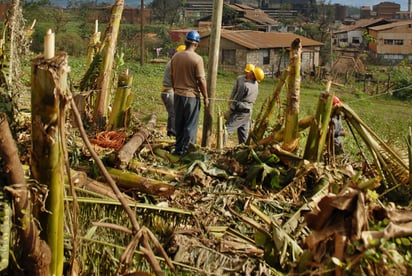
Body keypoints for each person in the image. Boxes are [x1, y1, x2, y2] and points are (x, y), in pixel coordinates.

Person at [170, 30, 209, 156]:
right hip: (191, 97)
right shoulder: (197, 59)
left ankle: (178, 149)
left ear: (186, 42)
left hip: (177, 95)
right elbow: (201, 79)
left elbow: (172, 75)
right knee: (190, 126)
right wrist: (206, 97)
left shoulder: (175, 56)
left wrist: (176, 88)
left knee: (179, 124)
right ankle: (187, 153)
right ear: (196, 44)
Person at [224, 66, 265, 145]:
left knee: (225, 130)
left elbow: (237, 100)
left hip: (240, 113)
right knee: (243, 136)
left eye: (251, 72)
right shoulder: (256, 85)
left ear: (252, 75)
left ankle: (220, 149)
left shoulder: (245, 85)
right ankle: (243, 151)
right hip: (248, 112)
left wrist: (230, 110)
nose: (248, 72)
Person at [161, 44, 185, 137]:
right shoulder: (175, 63)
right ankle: (172, 133)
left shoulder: (174, 62)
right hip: (168, 91)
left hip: (169, 91)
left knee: (173, 113)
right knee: (174, 113)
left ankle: (171, 132)